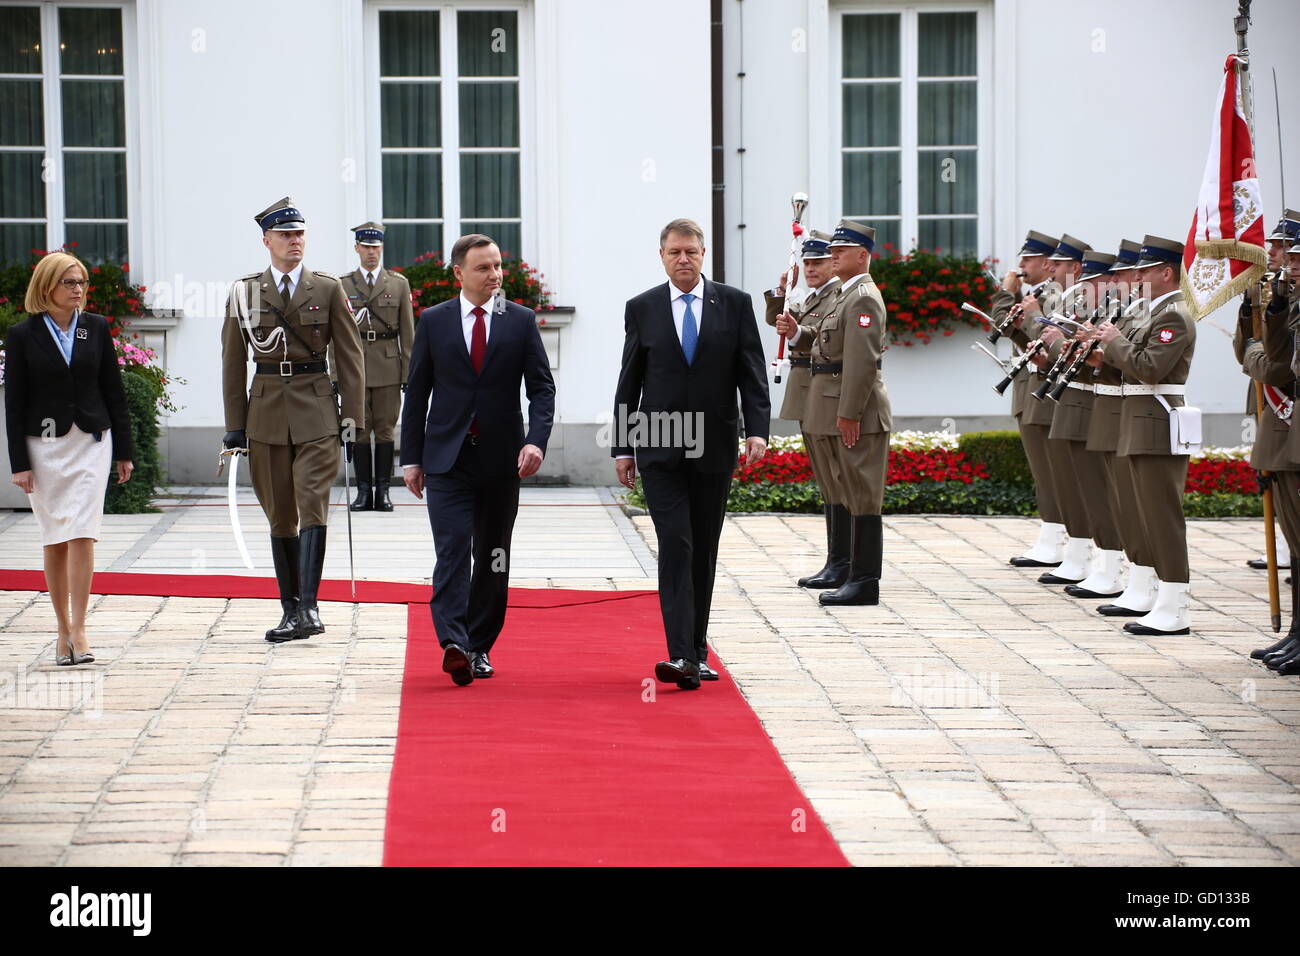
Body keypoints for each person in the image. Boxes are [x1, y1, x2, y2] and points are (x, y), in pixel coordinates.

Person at [613, 218, 769, 690]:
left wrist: (757, 432)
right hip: (659, 447)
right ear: (662, 256)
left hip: (714, 448)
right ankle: (680, 654)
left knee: (703, 549)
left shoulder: (734, 304)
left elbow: (752, 373)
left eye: (692, 252)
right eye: (675, 252)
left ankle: (696, 652)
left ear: (704, 255)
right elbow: (630, 380)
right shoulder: (642, 307)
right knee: (676, 545)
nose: (684, 259)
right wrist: (623, 446)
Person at [400, 233, 554, 686]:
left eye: (498, 266)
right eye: (484, 268)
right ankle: (453, 641)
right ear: (459, 274)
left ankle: (479, 645)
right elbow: (418, 392)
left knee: (493, 556)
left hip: (501, 461)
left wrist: (535, 441)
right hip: (446, 459)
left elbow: (542, 388)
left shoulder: (520, 320)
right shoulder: (434, 321)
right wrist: (411, 458)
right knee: (451, 549)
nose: (495, 275)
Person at [221, 197, 366, 643]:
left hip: (317, 409)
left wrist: (354, 418)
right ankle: (289, 610)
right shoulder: (244, 293)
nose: (294, 241)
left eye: (300, 233)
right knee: (280, 514)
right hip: (265, 412)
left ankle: (310, 606)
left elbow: (350, 354)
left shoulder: (326, 289)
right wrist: (235, 425)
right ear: (267, 240)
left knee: (312, 503)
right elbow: (231, 361)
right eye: (285, 234)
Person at [4, 251, 134, 665]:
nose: (78, 289)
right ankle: (61, 629)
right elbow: (15, 403)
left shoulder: (95, 328)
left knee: (83, 531)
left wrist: (125, 452)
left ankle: (80, 629)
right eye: (69, 283)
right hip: (43, 447)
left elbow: (114, 390)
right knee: (55, 538)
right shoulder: (23, 335)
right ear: (47, 287)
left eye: (81, 282)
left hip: (91, 442)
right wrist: (18, 463)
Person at [779, 219, 891, 606]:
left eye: (840, 251)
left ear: (862, 256)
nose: (832, 256)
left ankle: (864, 580)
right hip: (841, 403)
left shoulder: (861, 298)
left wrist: (849, 413)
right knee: (851, 490)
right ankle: (850, 572)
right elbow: (827, 345)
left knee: (862, 494)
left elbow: (861, 363)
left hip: (857, 409)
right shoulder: (847, 295)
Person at [1094, 234, 1196, 635]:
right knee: (1140, 513)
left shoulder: (1174, 316)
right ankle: (1154, 595)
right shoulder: (1152, 313)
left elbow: (1151, 368)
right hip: (1138, 420)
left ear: (1166, 272)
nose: (1137, 275)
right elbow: (1131, 365)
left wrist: (1114, 343)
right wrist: (1106, 354)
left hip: (1155, 421)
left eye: (1146, 269)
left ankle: (1175, 606)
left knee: (1162, 516)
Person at [763, 229, 844, 587]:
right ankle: (836, 560)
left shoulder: (838, 295)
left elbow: (818, 335)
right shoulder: (812, 295)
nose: (810, 269)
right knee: (827, 482)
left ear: (833, 263)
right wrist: (782, 291)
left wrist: (796, 331)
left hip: (825, 391)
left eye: (818, 262)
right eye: (806, 262)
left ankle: (842, 561)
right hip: (808, 391)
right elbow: (779, 320)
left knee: (837, 480)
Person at [1021, 234, 1093, 584]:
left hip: (1073, 397)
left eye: (1059, 264)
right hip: (1055, 391)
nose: (1051, 267)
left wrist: (1035, 319)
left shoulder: (1081, 299)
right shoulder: (1064, 297)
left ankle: (1083, 554)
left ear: (1076, 268)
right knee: (1057, 476)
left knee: (1074, 479)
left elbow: (1066, 345)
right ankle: (1072, 551)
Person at [998, 230, 1065, 567]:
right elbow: (1004, 327)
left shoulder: (1053, 297)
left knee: (1052, 472)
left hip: (1044, 392)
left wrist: (1008, 295)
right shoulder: (1035, 295)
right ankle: (1050, 536)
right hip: (1027, 389)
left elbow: (1049, 339)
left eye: (1027, 260)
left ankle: (1057, 540)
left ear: (1046, 263)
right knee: (1042, 472)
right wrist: (1009, 295)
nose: (1020, 266)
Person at [339, 221, 414, 512]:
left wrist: (409, 372)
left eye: (376, 247)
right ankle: (362, 492)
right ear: (357, 248)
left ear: (382, 248)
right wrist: (335, 372)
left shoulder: (397, 283)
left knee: (384, 431)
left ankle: (383, 492)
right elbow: (336, 335)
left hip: (387, 367)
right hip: (354, 366)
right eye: (366, 247)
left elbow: (408, 334)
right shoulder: (343, 284)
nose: (372, 253)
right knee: (358, 430)